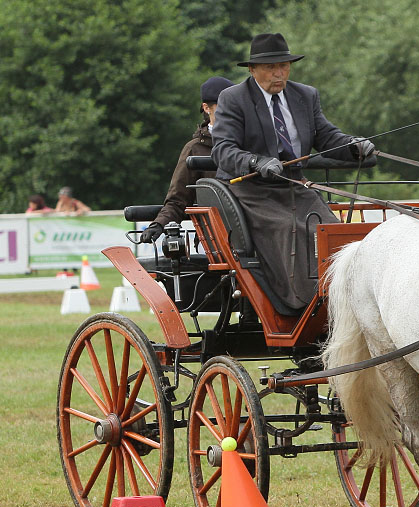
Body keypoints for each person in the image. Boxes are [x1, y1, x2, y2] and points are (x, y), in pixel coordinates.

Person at [212, 32, 375, 311]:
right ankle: (302, 302)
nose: (278, 74)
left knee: (332, 232)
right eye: (270, 68)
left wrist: (353, 145)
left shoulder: (305, 95)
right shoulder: (233, 98)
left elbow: (325, 136)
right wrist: (256, 162)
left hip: (296, 185)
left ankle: (340, 300)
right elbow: (223, 149)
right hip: (252, 190)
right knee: (292, 229)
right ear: (252, 70)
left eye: (284, 66)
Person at [141, 76, 236, 243]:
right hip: (217, 238)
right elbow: (178, 200)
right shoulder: (194, 149)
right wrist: (159, 224)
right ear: (207, 108)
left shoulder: (251, 143)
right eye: (224, 107)